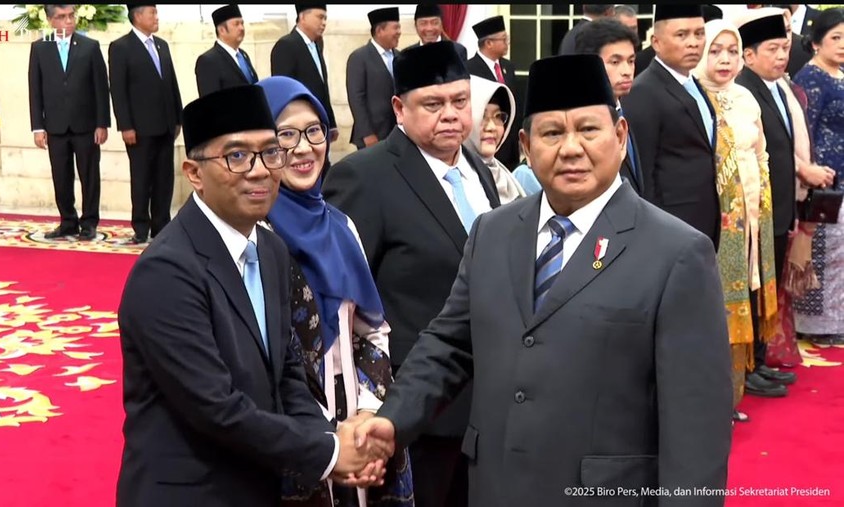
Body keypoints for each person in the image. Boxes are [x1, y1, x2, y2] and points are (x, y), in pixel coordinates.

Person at [354, 53, 733, 507]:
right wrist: (392, 419)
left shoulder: (676, 253)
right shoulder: (493, 232)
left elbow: (696, 426)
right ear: (526, 147)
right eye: (552, 133)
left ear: (620, 135)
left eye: (588, 130)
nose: (570, 148)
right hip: (495, 487)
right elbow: (449, 344)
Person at [116, 85, 388, 507]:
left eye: (270, 152)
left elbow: (288, 374)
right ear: (193, 173)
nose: (260, 171)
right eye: (237, 156)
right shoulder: (166, 271)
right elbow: (215, 408)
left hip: (258, 484)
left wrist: (331, 441)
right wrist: (332, 454)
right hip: (193, 492)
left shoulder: (271, 248)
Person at [323, 41, 500, 507]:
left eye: (460, 101)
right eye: (433, 104)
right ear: (400, 109)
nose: (450, 115)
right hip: (411, 408)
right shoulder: (365, 176)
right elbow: (342, 303)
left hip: (487, 403)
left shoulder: (477, 169)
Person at [257, 75, 414, 507]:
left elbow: (370, 329)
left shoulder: (341, 226)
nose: (303, 148)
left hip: (353, 415)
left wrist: (367, 411)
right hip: (292, 426)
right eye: (286, 135)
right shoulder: (256, 236)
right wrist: (328, 433)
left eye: (314, 131)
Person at [693, 19, 779, 421]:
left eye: (731, 51)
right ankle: (708, 400)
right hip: (714, 220)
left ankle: (732, 395)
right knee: (713, 307)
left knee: (742, 297)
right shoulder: (694, 98)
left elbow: (761, 153)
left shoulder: (745, 97)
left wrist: (758, 207)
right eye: (715, 51)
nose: (724, 59)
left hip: (751, 218)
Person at [735, 10, 804, 396]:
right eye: (773, 49)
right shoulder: (743, 90)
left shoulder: (779, 87)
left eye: (785, 48)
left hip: (778, 208)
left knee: (767, 291)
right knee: (752, 291)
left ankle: (760, 360)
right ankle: (747, 367)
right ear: (749, 55)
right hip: (756, 211)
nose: (781, 56)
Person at [623, 4, 721, 250]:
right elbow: (642, 173)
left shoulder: (694, 84)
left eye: (699, 34)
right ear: (656, 42)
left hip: (703, 219)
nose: (693, 43)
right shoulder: (644, 91)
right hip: (670, 225)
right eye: (681, 35)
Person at [28, 4, 110, 241]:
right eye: (62, 17)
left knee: (89, 176)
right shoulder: (39, 48)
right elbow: (35, 90)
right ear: (50, 20)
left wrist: (102, 123)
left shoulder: (90, 47)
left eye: (71, 15)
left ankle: (89, 223)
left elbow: (101, 88)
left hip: (86, 125)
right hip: (55, 126)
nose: (68, 21)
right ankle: (67, 221)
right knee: (61, 177)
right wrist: (38, 127)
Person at [109, 4, 183, 244]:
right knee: (142, 179)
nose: (156, 17)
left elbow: (171, 83)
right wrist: (125, 126)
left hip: (166, 125)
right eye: (152, 13)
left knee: (164, 179)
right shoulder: (121, 47)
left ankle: (162, 225)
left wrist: (178, 117)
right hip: (139, 129)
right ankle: (141, 227)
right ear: (138, 16)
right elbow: (118, 90)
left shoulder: (162, 45)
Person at [793, 7, 844, 344]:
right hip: (823, 181)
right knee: (821, 254)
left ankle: (836, 320)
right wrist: (808, 171)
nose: (842, 44)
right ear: (816, 42)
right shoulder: (810, 78)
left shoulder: (841, 74)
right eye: (836, 38)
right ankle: (816, 325)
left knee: (840, 255)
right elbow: (804, 133)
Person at [575, 18, 644, 194]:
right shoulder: (579, 120)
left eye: (631, 61)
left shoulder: (626, 109)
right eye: (615, 62)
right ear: (589, 64)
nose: (627, 71)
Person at [271, 4, 338, 144]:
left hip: (320, 123)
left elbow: (322, 87)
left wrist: (331, 123)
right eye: (320, 17)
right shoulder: (286, 45)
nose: (324, 23)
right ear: (302, 17)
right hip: (299, 126)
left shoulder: (317, 45)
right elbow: (284, 91)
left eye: (325, 18)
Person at [467, 16, 520, 171]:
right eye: (503, 39)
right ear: (489, 43)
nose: (507, 43)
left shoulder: (508, 67)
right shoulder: (469, 69)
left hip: (508, 144)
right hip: (483, 145)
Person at [345, 7, 401, 150]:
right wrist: (367, 133)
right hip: (373, 135)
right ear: (379, 31)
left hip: (398, 132)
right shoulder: (359, 57)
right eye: (395, 28)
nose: (399, 32)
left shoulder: (399, 56)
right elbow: (356, 98)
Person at [464, 76, 525, 204]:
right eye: (482, 116)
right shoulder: (457, 180)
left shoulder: (504, 177)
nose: (491, 127)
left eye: (498, 116)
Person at [194, 4, 259, 97]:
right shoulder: (208, 61)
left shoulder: (243, 55)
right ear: (222, 30)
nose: (241, 28)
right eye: (236, 24)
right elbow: (210, 100)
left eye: (242, 23)